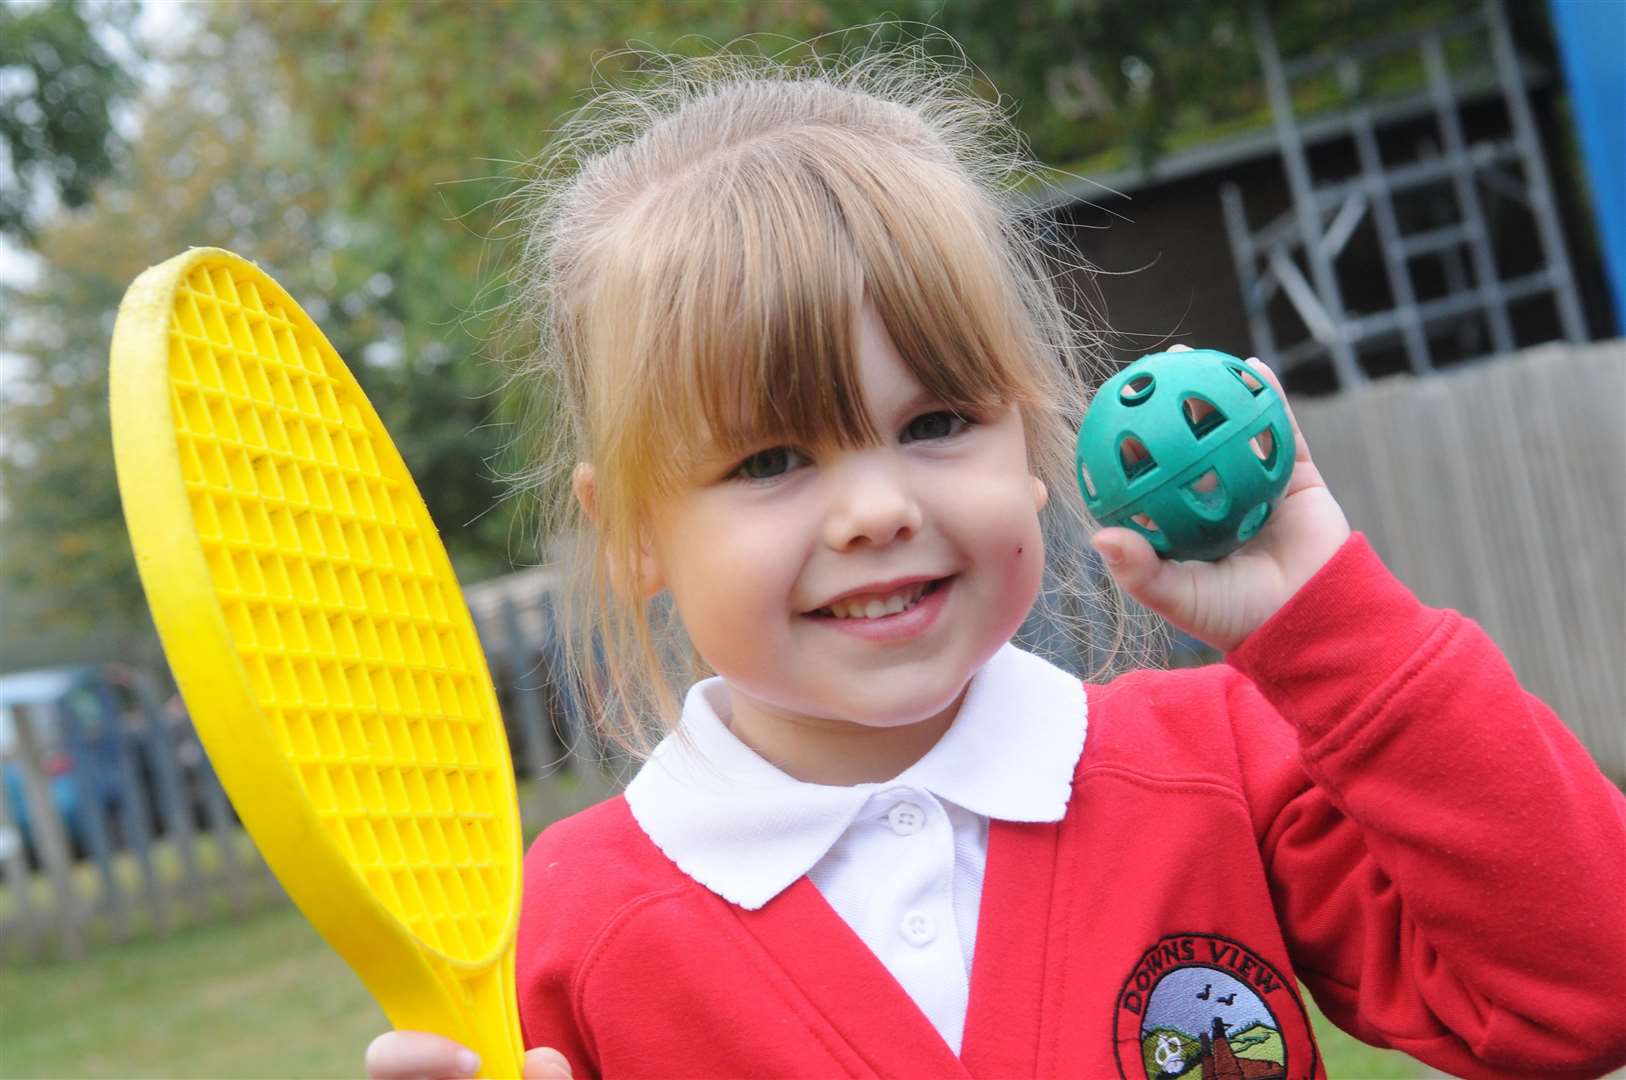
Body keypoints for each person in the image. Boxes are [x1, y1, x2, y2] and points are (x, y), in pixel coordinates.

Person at [365, 34, 1626, 1080]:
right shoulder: (573, 937)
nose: (873, 509)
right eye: (768, 462)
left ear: (1029, 443)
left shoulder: (1219, 771)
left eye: (934, 425)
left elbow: (1581, 992)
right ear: (634, 528)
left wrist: (1339, 632)